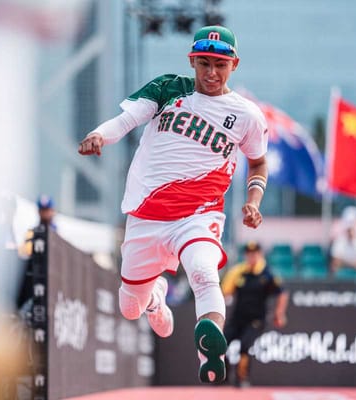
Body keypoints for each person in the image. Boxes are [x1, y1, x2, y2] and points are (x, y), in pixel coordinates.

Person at [78, 25, 268, 383]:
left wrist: (254, 200)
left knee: (203, 271)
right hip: (146, 216)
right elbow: (127, 120)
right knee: (129, 308)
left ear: (235, 65)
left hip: (199, 214)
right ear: (192, 61)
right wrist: (100, 135)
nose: (211, 73)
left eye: (220, 65)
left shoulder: (247, 116)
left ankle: (208, 350)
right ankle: (154, 298)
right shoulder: (168, 89)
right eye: (204, 63)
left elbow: (258, 162)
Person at [221, 242, 288, 387]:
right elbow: (224, 292)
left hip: (256, 319)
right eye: (249, 254)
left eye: (255, 254)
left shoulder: (267, 273)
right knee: (221, 344)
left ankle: (242, 378)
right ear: (246, 255)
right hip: (237, 318)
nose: (252, 257)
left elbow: (282, 293)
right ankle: (223, 376)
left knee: (244, 345)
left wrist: (279, 313)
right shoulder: (237, 272)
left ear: (260, 255)